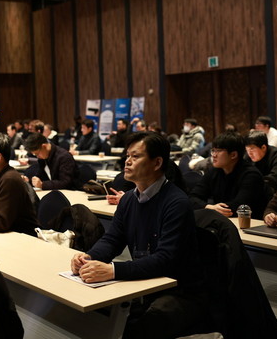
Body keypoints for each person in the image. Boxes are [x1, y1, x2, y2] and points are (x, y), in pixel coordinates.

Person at [71, 131, 206, 338]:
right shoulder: (128, 200)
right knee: (94, 312)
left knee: (135, 327)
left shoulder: (176, 203)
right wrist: (89, 257)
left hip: (179, 290)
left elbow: (165, 260)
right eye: (127, 156)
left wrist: (113, 270)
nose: (128, 162)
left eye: (136, 156)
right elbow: (112, 239)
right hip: (144, 284)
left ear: (157, 162)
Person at [189, 131, 266, 219]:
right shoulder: (214, 171)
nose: (213, 155)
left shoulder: (251, 175)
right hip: (222, 220)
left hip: (251, 224)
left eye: (218, 151)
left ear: (233, 155)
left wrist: (213, 208)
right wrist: (210, 207)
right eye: (213, 150)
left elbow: (239, 207)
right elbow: (192, 198)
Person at [245, 131, 277, 199]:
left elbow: (274, 180)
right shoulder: (248, 157)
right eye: (247, 150)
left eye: (252, 149)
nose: (249, 153)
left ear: (263, 147)